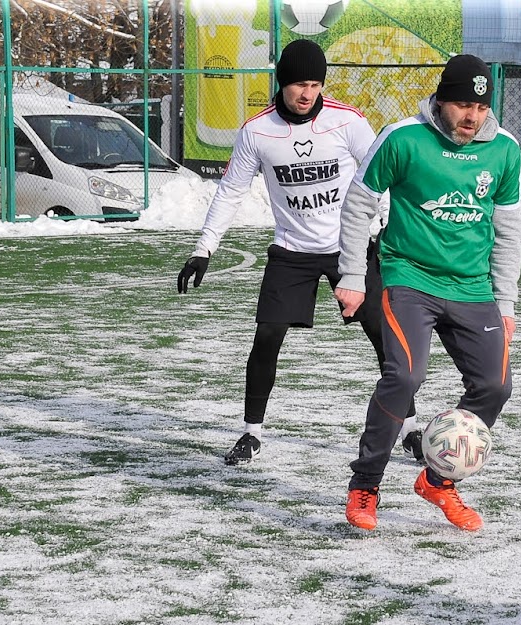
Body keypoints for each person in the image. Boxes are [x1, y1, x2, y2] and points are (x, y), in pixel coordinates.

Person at [177, 39, 418, 465]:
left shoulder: (348, 122)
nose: (307, 93)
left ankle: (412, 429)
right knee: (267, 335)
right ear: (282, 83)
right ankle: (251, 434)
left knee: (384, 336)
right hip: (292, 250)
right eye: (299, 84)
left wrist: (384, 228)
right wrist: (204, 250)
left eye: (315, 84)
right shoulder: (257, 131)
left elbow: (383, 177)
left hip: (351, 246)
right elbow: (230, 191)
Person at [334, 54, 521, 531]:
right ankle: (365, 486)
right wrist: (353, 276)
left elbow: (507, 233)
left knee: (496, 386)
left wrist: (505, 303)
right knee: (405, 377)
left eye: (479, 108)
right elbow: (358, 205)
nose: (470, 116)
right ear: (440, 100)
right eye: (461, 104)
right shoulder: (402, 138)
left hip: (472, 287)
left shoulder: (504, 150)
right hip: (409, 278)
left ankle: (437, 482)